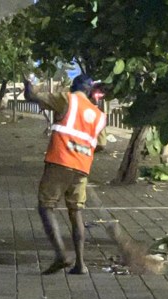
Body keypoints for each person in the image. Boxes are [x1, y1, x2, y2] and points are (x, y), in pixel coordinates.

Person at [24, 74, 107, 275]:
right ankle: (80, 264)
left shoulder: (67, 99)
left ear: (73, 86)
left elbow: (33, 97)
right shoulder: (98, 115)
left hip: (60, 160)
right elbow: (102, 144)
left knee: (46, 206)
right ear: (89, 91)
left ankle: (61, 254)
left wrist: (28, 84)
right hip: (82, 167)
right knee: (76, 211)